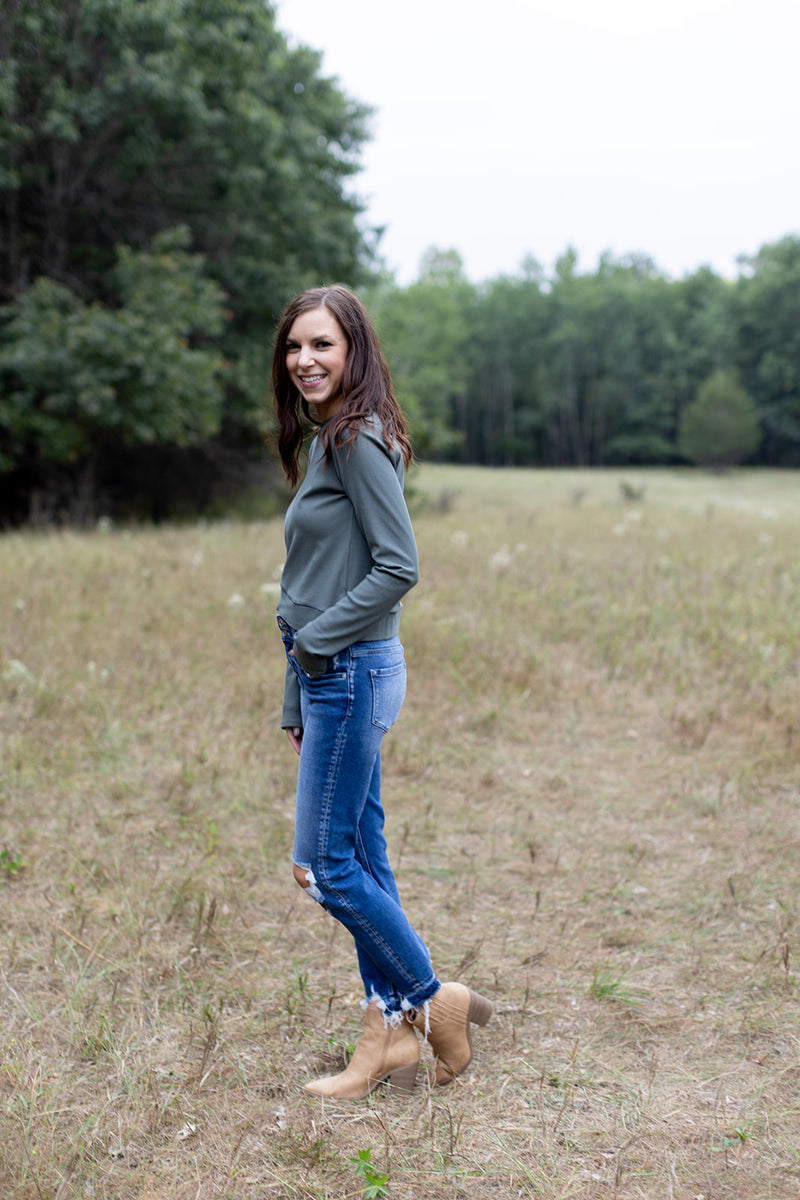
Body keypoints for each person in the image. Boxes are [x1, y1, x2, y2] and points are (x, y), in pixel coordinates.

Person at [272, 284, 492, 1100]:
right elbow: (312, 579)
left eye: (322, 345)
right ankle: (389, 1033)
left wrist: (319, 651)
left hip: (351, 669)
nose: (305, 361)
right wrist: (297, 694)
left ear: (354, 349)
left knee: (324, 866)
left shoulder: (358, 438)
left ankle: (435, 1002)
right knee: (361, 854)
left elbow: (399, 567)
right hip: (332, 674)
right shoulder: (334, 438)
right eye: (295, 347)